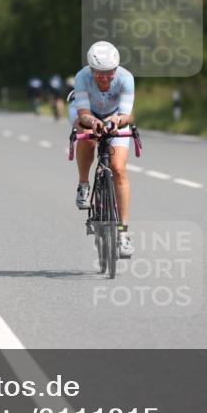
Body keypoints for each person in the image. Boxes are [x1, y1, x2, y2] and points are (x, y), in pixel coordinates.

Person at [72, 41, 135, 257]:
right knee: (87, 137)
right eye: (99, 73)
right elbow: (82, 113)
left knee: (118, 169)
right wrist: (92, 123)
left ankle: (123, 234)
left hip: (115, 117)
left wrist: (116, 120)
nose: (105, 77)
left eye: (110, 73)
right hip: (88, 115)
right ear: (91, 70)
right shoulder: (81, 78)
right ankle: (83, 183)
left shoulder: (126, 78)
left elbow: (127, 115)